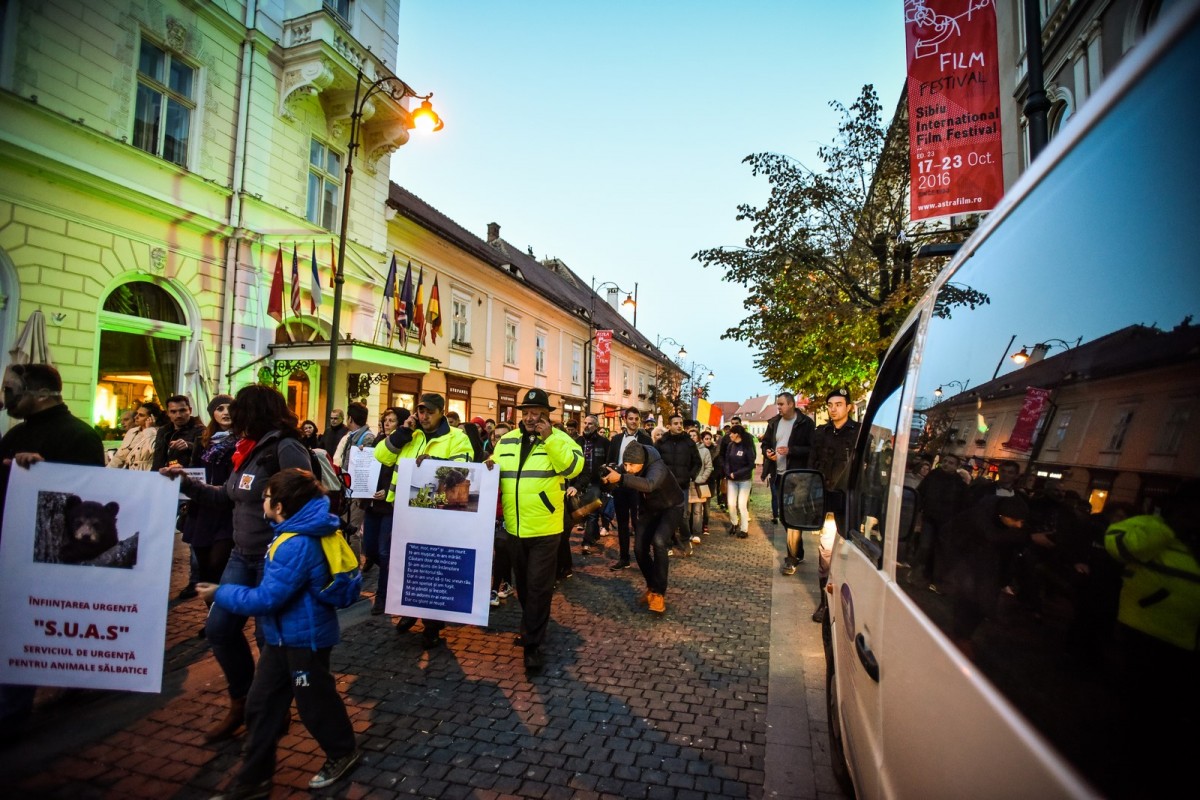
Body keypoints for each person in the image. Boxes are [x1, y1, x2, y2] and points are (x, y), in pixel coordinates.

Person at [161, 384, 312, 743]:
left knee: (268, 639)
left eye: (239, 409)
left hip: (273, 561)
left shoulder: (285, 447)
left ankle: (272, 710)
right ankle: (241, 701)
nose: (231, 416)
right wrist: (186, 483)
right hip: (241, 556)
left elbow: (306, 502)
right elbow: (230, 496)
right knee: (219, 629)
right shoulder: (247, 449)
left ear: (253, 412)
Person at [197, 468, 360, 798]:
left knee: (315, 701)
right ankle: (253, 781)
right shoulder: (295, 533)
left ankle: (342, 752)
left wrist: (220, 593)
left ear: (281, 506)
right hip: (283, 639)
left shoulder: (294, 544)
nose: (263, 503)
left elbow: (267, 598)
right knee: (261, 705)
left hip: (304, 643)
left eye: (267, 497)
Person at [0, 363, 106, 738]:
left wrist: (47, 476)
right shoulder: (15, 435)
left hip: (50, 551)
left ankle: (12, 713)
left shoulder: (78, 436)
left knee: (28, 626)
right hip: (11, 543)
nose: (5, 399)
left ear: (40, 393)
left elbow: (89, 498)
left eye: (10, 390)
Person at [486, 388, 583, 674]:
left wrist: (549, 439)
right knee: (525, 587)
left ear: (547, 415)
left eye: (537, 413)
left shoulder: (561, 440)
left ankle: (533, 645)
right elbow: (494, 470)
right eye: (526, 413)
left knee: (539, 586)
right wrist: (486, 467)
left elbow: (572, 468)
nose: (530, 418)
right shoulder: (507, 441)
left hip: (546, 528)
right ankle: (533, 626)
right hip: (515, 527)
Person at [374, 392, 472, 647]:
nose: (423, 415)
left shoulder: (457, 438)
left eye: (429, 411)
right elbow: (381, 456)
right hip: (405, 511)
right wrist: (402, 433)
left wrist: (434, 463)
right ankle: (409, 610)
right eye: (420, 411)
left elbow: (463, 470)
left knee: (431, 567)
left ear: (441, 412)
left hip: (437, 512)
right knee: (406, 564)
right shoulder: (412, 436)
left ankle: (431, 625)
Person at [601, 441, 684, 614]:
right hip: (650, 510)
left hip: (671, 507)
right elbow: (618, 475)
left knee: (659, 541)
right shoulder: (630, 463)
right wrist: (607, 477)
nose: (628, 468)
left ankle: (659, 593)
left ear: (642, 462)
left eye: (632, 465)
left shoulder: (658, 467)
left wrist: (622, 478)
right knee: (639, 549)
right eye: (625, 464)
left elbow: (649, 484)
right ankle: (652, 587)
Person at [179, 394, 236, 616]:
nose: (225, 412)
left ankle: (222, 615)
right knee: (203, 568)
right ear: (212, 413)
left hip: (226, 511)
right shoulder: (204, 441)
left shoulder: (243, 441)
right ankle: (212, 613)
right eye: (219, 408)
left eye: (229, 408)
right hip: (201, 510)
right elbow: (195, 470)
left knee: (219, 562)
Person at [809, 388, 861, 622]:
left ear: (848, 407)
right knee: (826, 556)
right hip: (828, 503)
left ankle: (850, 603)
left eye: (838, 404)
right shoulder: (821, 434)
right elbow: (812, 466)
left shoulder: (859, 433)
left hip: (850, 504)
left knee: (851, 556)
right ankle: (825, 603)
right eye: (830, 404)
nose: (833, 408)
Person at [361, 407, 409, 615]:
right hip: (371, 505)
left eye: (392, 420)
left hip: (389, 506)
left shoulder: (404, 445)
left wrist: (387, 490)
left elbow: (399, 473)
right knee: (369, 550)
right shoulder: (376, 442)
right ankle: (395, 575)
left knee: (384, 551)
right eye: (385, 420)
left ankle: (383, 596)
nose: (387, 424)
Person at [762, 392, 815, 575]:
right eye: (778, 404)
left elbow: (812, 449)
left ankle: (791, 558)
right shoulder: (774, 422)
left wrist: (791, 451)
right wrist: (768, 452)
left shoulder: (806, 423)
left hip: (797, 477)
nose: (779, 407)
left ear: (792, 404)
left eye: (782, 404)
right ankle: (797, 552)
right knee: (785, 517)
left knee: (794, 517)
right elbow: (765, 443)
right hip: (778, 474)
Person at [605, 407, 653, 570]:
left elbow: (649, 463)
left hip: (637, 485)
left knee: (639, 523)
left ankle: (642, 556)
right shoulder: (616, 439)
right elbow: (610, 460)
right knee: (622, 523)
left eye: (636, 419)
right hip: (620, 485)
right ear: (625, 420)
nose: (633, 421)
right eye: (631, 418)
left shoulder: (646, 440)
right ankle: (624, 557)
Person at [655, 414, 700, 555]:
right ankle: (668, 544)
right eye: (676, 423)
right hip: (666, 485)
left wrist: (690, 475)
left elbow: (697, 462)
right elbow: (655, 462)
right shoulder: (662, 442)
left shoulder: (689, 442)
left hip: (683, 485)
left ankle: (686, 541)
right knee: (666, 515)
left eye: (680, 423)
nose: (679, 425)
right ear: (669, 426)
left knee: (683, 515)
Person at [572, 414, 608, 556]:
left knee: (592, 512)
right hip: (579, 482)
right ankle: (593, 535)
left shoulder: (604, 442)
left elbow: (608, 460)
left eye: (590, 424)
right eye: (585, 423)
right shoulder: (577, 442)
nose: (586, 426)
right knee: (581, 512)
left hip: (595, 482)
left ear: (596, 426)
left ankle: (586, 542)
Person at [152, 394, 206, 471]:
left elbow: (206, 452)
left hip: (188, 476)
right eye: (173, 411)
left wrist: (189, 446)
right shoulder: (163, 430)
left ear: (190, 410)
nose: (178, 415)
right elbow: (158, 459)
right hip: (164, 476)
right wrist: (154, 476)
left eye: (182, 410)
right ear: (168, 413)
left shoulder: (200, 430)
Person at [106, 401, 163, 470]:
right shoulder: (132, 432)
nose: (136, 417)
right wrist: (107, 471)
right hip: (129, 472)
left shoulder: (159, 433)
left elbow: (156, 452)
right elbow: (119, 456)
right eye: (137, 414)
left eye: (141, 415)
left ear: (152, 417)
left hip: (146, 473)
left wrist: (149, 429)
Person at [723, 425, 756, 538]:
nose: (730, 435)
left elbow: (751, 465)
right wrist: (728, 472)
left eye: (731, 433)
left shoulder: (747, 446)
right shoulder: (730, 446)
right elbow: (726, 460)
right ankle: (734, 523)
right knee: (731, 504)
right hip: (731, 480)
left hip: (744, 480)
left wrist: (736, 473)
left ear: (737, 434)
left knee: (742, 505)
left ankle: (744, 529)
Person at [687, 428, 714, 545]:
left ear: (698, 437)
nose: (692, 437)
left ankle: (696, 533)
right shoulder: (684, 449)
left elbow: (709, 467)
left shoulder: (704, 451)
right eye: (690, 435)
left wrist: (702, 479)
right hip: (687, 483)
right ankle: (687, 533)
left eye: (694, 435)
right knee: (686, 511)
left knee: (697, 510)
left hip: (699, 484)